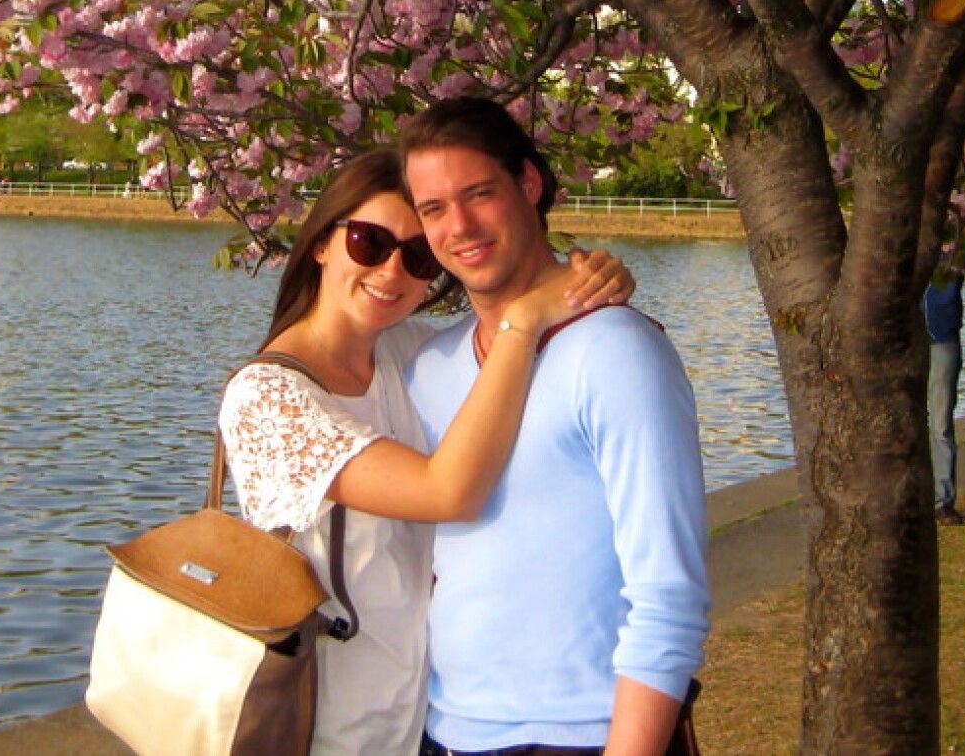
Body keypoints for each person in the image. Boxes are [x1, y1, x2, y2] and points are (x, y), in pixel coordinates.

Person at [218, 148, 634, 756]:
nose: (391, 271)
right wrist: (526, 320)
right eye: (368, 242)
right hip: (329, 725)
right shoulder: (267, 399)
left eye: (417, 256)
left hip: (428, 715)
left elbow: (514, 379)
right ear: (322, 242)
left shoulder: (408, 351)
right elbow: (448, 492)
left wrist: (589, 279)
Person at [400, 98, 709, 756]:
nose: (460, 226)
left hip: (584, 734)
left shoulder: (615, 351)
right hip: (444, 732)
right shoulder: (429, 366)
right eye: (434, 209)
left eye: (479, 194)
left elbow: (669, 593)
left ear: (529, 183)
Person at [924, 249, 965, 526]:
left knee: (941, 425)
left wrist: (954, 246)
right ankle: (911, 498)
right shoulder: (907, 244)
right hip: (907, 341)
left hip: (942, 342)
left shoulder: (955, 251)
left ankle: (943, 502)